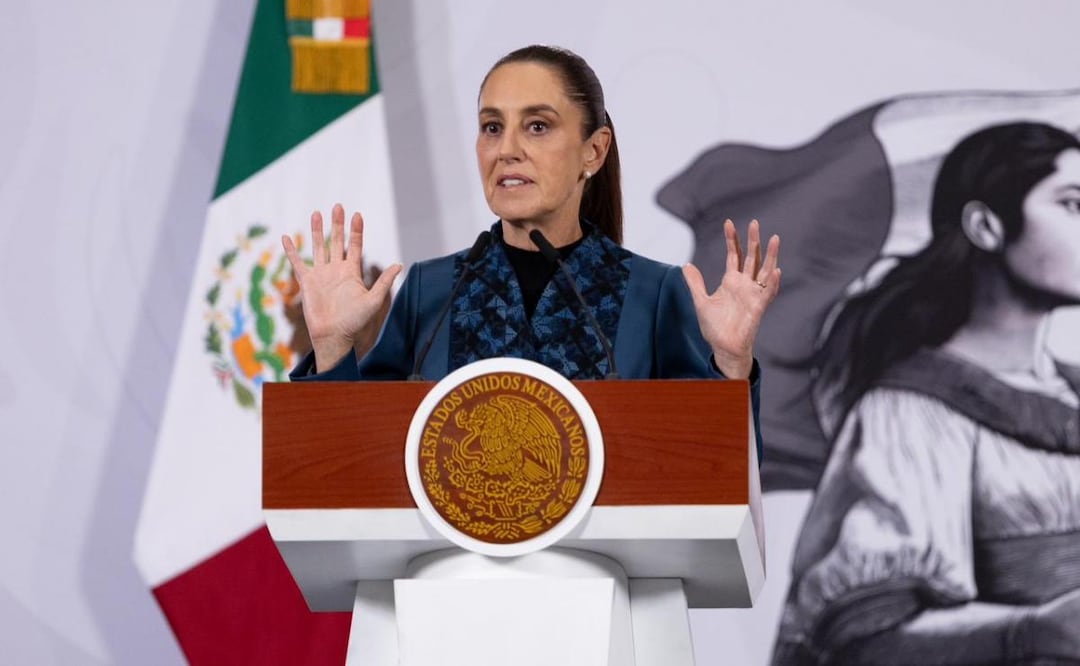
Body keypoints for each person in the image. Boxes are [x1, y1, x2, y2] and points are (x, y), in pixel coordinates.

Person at [282, 45, 781, 457]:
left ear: (594, 150)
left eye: (537, 126)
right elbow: (350, 466)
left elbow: (716, 477)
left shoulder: (653, 294)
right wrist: (330, 348)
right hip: (447, 578)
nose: (507, 149)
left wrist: (731, 367)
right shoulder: (427, 294)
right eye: (492, 127)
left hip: (607, 577)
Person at [773, 122, 1080, 664]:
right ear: (986, 226)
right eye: (1073, 205)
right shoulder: (909, 413)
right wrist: (1031, 631)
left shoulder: (1068, 390)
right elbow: (863, 633)